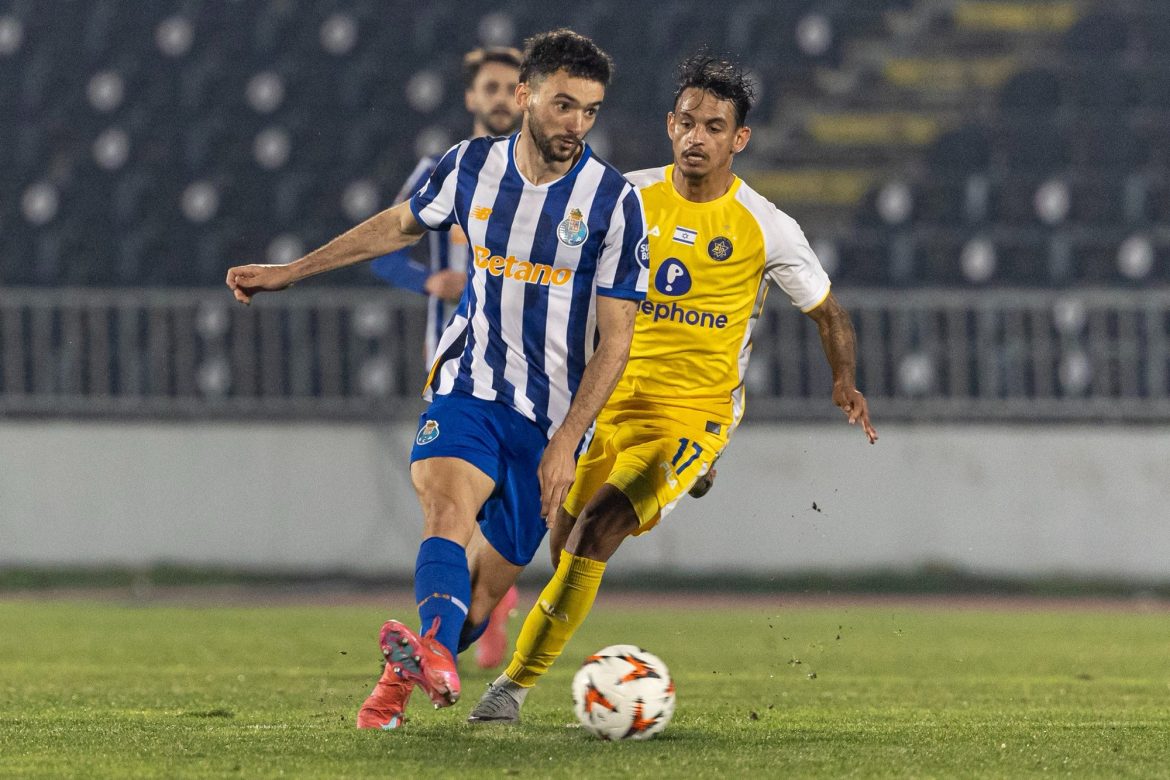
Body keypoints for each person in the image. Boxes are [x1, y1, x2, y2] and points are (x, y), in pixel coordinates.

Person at [225, 28, 648, 731]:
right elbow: (397, 226)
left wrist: (568, 440)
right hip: (467, 386)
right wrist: (290, 272)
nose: (577, 124)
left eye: (591, 111)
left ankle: (404, 677)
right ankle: (431, 665)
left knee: (482, 598)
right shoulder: (469, 167)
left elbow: (618, 338)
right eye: (564, 105)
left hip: (547, 421)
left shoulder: (612, 202)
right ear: (525, 96)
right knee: (445, 516)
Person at [467, 51, 878, 724]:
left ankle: (509, 689)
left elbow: (827, 311)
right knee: (563, 537)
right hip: (607, 404)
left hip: (694, 414)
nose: (698, 137)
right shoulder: (622, 198)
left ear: (738, 139)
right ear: (669, 125)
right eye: (688, 122)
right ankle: (530, 654)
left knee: (598, 530)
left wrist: (844, 382)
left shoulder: (765, 225)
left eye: (715, 127)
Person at [369, 45, 525, 672]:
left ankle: (477, 608)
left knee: (496, 510)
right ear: (471, 98)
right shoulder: (443, 169)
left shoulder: (544, 177)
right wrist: (425, 284)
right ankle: (461, 620)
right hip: (456, 366)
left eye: (512, 87)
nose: (501, 97)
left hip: (524, 371)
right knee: (454, 506)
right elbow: (383, 248)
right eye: (490, 87)